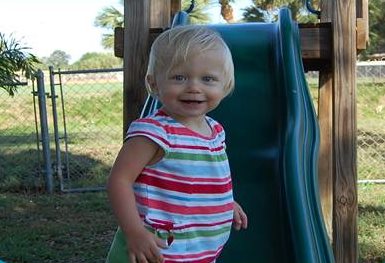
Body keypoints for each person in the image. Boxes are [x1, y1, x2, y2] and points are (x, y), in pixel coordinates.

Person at [106, 25, 248, 263]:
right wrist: (134, 232)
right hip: (156, 251)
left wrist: (224, 203)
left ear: (225, 85)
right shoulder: (154, 132)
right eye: (179, 77)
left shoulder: (215, 131)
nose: (194, 87)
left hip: (197, 251)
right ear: (154, 82)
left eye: (208, 79)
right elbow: (119, 181)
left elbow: (205, 177)